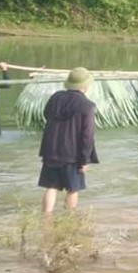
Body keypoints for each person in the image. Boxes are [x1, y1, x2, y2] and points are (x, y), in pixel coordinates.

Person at [38, 67, 99, 214]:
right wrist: (85, 160)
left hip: (51, 150)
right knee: (73, 188)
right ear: (84, 87)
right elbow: (87, 136)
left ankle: (46, 218)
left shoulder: (56, 97)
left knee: (51, 187)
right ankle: (69, 219)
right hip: (72, 155)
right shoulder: (87, 105)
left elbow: (46, 114)